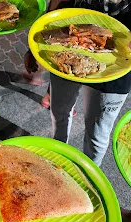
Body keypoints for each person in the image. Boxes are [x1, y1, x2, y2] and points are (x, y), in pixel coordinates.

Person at [25, 0, 131, 166]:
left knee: (97, 134)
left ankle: (87, 180)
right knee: (59, 114)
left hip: (119, 60)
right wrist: (34, 46)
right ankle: (58, 163)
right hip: (66, 46)